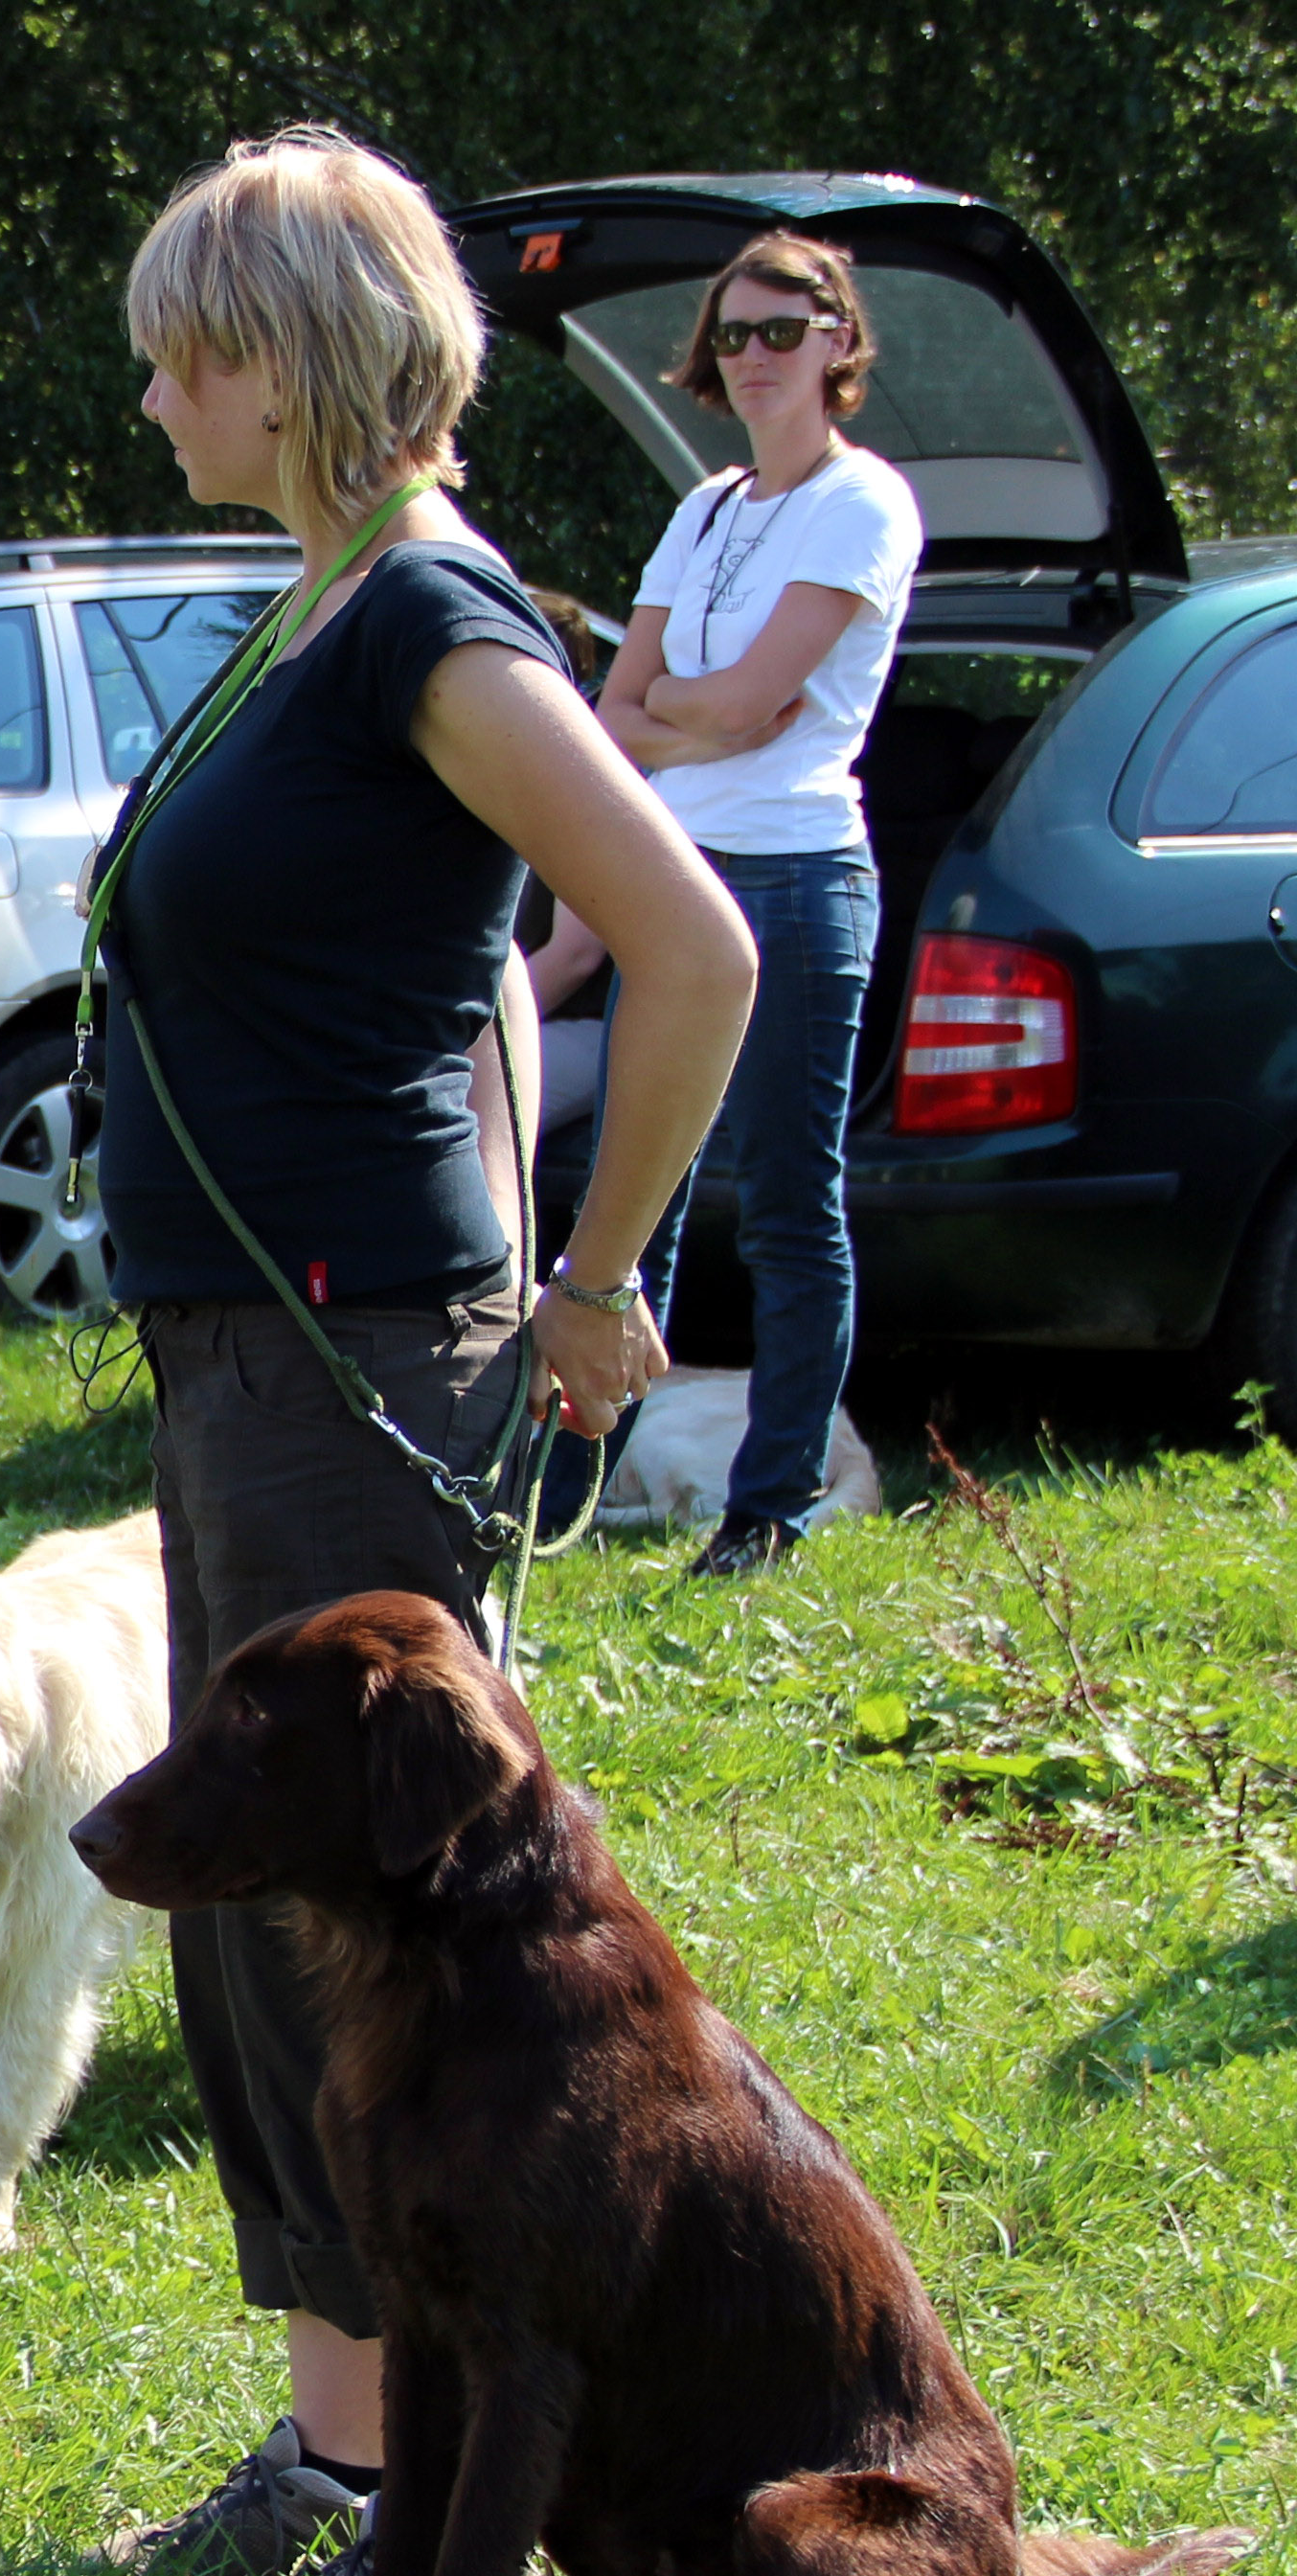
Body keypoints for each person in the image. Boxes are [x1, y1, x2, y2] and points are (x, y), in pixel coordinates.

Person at [82, 131, 753, 2576]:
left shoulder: (431, 620)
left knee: (406, 1963)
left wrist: (594, 1284)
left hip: (354, 1365)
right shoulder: (321, 614)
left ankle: (433, 2510)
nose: (155, 394)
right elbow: (484, 968)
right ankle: (342, 2446)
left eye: (188, 346)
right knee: (274, 1946)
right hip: (255, 1352)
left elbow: (680, 947)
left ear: (304, 352)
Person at [594, 234, 919, 1579]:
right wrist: (695, 717)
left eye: (784, 330)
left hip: (797, 878)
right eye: (733, 336)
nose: (754, 357)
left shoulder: (864, 501)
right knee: (636, 1201)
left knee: (788, 1204)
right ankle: (579, 1486)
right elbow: (618, 709)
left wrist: (685, 711)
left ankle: (770, 1506)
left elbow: (741, 703)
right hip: (672, 878)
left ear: (840, 342)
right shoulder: (709, 507)